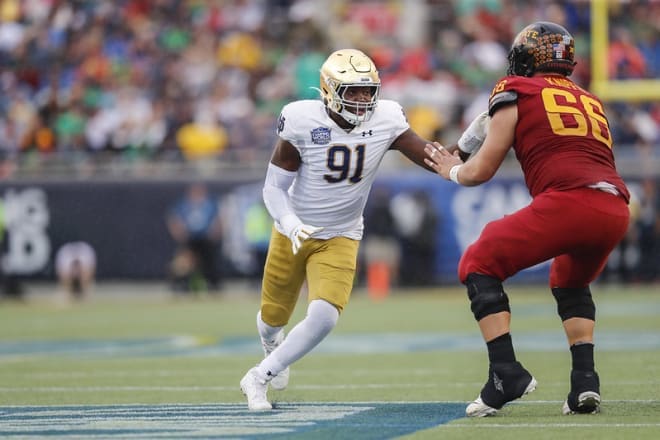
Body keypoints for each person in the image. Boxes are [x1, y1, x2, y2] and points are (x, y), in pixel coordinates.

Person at [424, 22, 631, 417]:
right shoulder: (590, 99)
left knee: (478, 261)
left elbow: (479, 171)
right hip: (615, 208)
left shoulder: (514, 89)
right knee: (568, 280)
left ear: (523, 59)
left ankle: (506, 372)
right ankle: (585, 383)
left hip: (571, 201)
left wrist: (451, 168)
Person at [239, 48, 461, 410]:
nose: (362, 100)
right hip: (294, 229)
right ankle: (271, 342)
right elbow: (273, 188)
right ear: (329, 90)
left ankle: (258, 376)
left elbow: (431, 156)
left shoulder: (387, 117)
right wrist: (291, 223)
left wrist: (468, 145)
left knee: (325, 315)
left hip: (342, 233)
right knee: (271, 317)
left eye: (367, 91)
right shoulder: (301, 120)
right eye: (352, 92)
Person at [166, 183, 224, 293]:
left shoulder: (210, 204)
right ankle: (182, 284)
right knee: (184, 262)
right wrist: (179, 232)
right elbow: (173, 218)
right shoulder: (184, 205)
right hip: (190, 239)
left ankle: (212, 284)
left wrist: (215, 231)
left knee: (209, 262)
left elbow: (218, 218)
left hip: (206, 238)